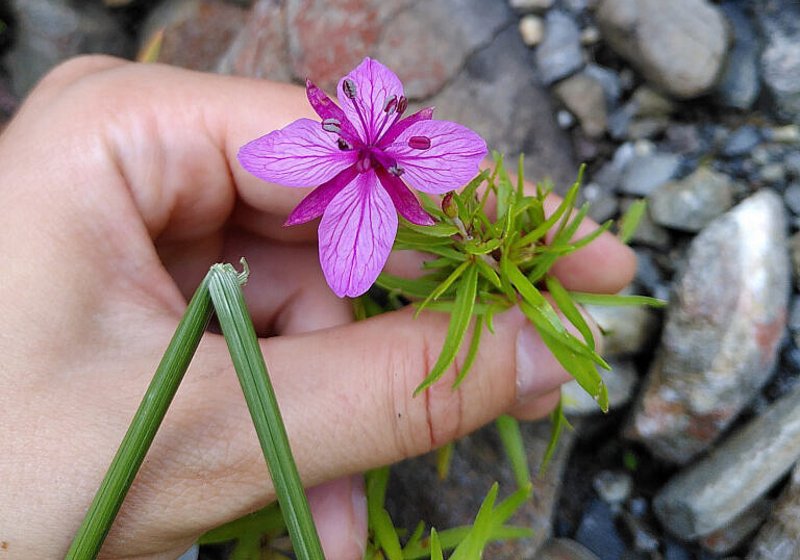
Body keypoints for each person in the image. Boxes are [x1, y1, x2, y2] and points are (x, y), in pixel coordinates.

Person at [0, 55, 636, 559]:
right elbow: (271, 158)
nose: (369, 101)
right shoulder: (351, 157)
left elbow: (458, 151)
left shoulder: (409, 151)